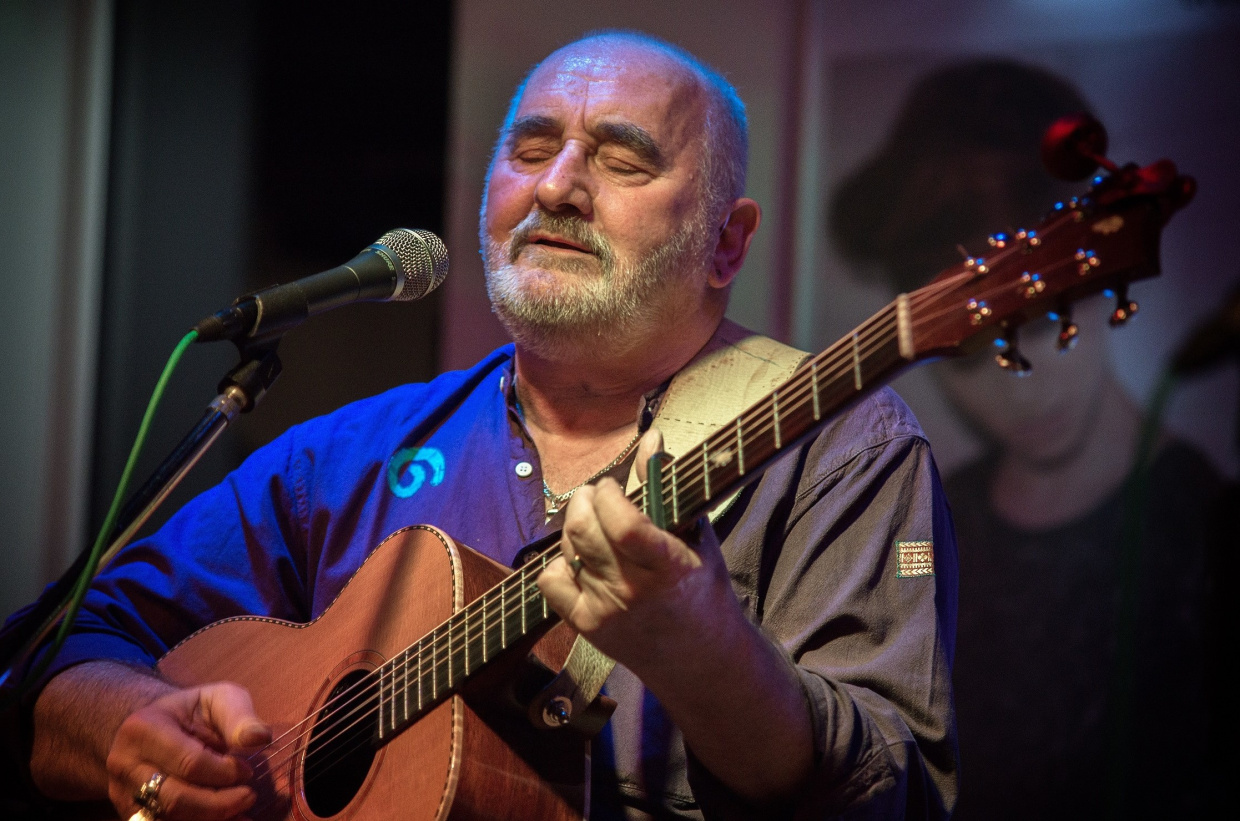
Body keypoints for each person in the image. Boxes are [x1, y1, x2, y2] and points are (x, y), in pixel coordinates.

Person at [10, 32, 958, 819]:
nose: (557, 188)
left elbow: (893, 795)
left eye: (623, 158)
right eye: (531, 150)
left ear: (727, 241)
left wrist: (702, 645)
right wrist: (124, 725)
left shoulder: (840, 446)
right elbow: (65, 638)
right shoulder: (347, 457)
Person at [831, 59, 1232, 817]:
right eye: (973, 358)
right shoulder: (936, 514)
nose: (1025, 383)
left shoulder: (1205, 514)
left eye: (1045, 324)